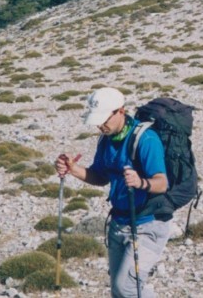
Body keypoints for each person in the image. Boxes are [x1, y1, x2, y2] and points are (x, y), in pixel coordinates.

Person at [56, 88, 170, 298]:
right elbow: (101, 177)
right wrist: (74, 170)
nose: (100, 125)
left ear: (121, 111)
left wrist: (141, 182)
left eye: (103, 120)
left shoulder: (146, 139)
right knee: (119, 291)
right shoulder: (105, 140)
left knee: (126, 288)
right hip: (118, 222)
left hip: (148, 223)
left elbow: (162, 183)